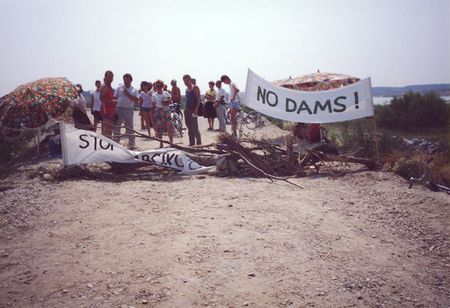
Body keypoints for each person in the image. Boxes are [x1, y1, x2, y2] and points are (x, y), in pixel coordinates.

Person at [113, 73, 139, 149]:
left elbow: (137, 100)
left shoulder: (134, 89)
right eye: (124, 79)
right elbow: (114, 98)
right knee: (117, 126)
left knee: (130, 127)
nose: (125, 81)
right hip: (119, 108)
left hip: (129, 109)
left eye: (127, 79)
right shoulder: (118, 88)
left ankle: (131, 144)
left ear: (131, 80)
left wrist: (128, 94)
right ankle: (115, 143)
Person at [151, 80, 173, 148]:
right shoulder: (154, 95)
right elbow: (153, 106)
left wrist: (166, 102)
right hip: (158, 111)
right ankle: (161, 143)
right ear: (155, 86)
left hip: (166, 110)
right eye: (158, 86)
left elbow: (170, 101)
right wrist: (152, 118)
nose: (159, 87)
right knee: (159, 128)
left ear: (163, 86)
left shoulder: (166, 93)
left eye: (160, 86)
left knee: (169, 126)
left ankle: (171, 142)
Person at [182, 74, 202, 146]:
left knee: (195, 127)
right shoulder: (186, 90)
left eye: (187, 81)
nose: (186, 82)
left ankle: (199, 143)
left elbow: (199, 99)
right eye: (184, 81)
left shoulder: (195, 88)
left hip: (193, 109)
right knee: (189, 127)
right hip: (187, 109)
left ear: (190, 80)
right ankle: (192, 143)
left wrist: (196, 109)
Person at [100, 70, 116, 138]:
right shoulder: (104, 87)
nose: (110, 78)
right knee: (106, 132)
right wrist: (111, 101)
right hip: (106, 112)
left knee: (110, 131)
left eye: (112, 77)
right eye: (109, 76)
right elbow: (101, 98)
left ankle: (107, 146)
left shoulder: (111, 88)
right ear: (105, 77)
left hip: (111, 111)